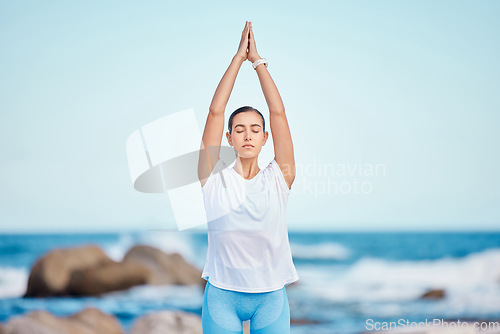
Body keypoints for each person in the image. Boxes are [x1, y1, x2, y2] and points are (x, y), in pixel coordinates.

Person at [198, 20, 299, 334]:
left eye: (255, 129)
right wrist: (237, 60)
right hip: (222, 297)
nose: (247, 135)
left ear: (265, 137)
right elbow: (215, 112)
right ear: (229, 138)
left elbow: (278, 113)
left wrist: (258, 63)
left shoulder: (279, 179)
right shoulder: (213, 178)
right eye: (239, 130)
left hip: (270, 298)